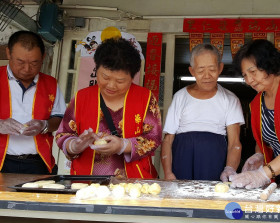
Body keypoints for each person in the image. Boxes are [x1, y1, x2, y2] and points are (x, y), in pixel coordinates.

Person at [55, 38, 162, 178]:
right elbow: (63, 134)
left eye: (120, 81)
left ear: (132, 77)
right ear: (96, 69)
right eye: (105, 77)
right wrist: (74, 145)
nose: (111, 85)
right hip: (87, 181)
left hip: (133, 181)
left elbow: (154, 137)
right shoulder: (81, 97)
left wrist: (123, 145)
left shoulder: (145, 98)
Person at [161, 44, 245, 181]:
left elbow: (234, 142)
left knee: (211, 199)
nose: (207, 76)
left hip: (214, 158)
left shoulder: (230, 99)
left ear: (220, 68)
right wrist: (168, 173)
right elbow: (168, 140)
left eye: (212, 69)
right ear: (192, 71)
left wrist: (230, 169)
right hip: (182, 156)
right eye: (200, 71)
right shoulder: (180, 97)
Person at [230, 39, 280, 189]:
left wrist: (262, 174)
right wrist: (259, 156)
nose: (249, 80)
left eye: (253, 72)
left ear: (269, 65)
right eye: (245, 76)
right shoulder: (257, 103)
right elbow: (263, 141)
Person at [0, 30, 66, 174]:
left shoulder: (50, 83)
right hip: (1, 160)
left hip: (38, 161)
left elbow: (60, 118)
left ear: (43, 57)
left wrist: (45, 125)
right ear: (8, 54)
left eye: (34, 63)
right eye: (20, 62)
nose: (27, 69)